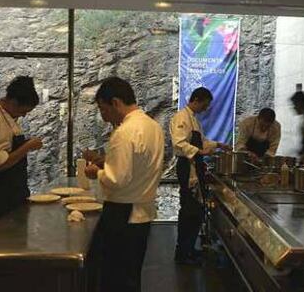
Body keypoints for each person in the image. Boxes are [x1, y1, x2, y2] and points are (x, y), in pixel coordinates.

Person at [84, 77, 164, 292]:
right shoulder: (153, 126)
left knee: (113, 277)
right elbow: (139, 166)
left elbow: (116, 180)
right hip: (143, 212)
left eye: (103, 109)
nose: (103, 116)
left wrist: (96, 172)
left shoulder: (124, 132)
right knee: (131, 275)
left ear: (116, 102)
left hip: (122, 213)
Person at [169, 87, 231, 265]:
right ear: (196, 99)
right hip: (187, 167)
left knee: (196, 211)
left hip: (195, 166)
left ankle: (189, 248)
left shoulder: (194, 120)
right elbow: (179, 143)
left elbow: (202, 141)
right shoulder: (181, 117)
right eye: (205, 104)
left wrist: (219, 144)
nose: (206, 108)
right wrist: (200, 151)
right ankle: (182, 253)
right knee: (188, 210)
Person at [0, 76, 43, 223]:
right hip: (0, 194)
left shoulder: (6, 117)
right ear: (13, 103)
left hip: (13, 191)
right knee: (6, 243)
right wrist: (27, 146)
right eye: (23, 111)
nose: (24, 115)